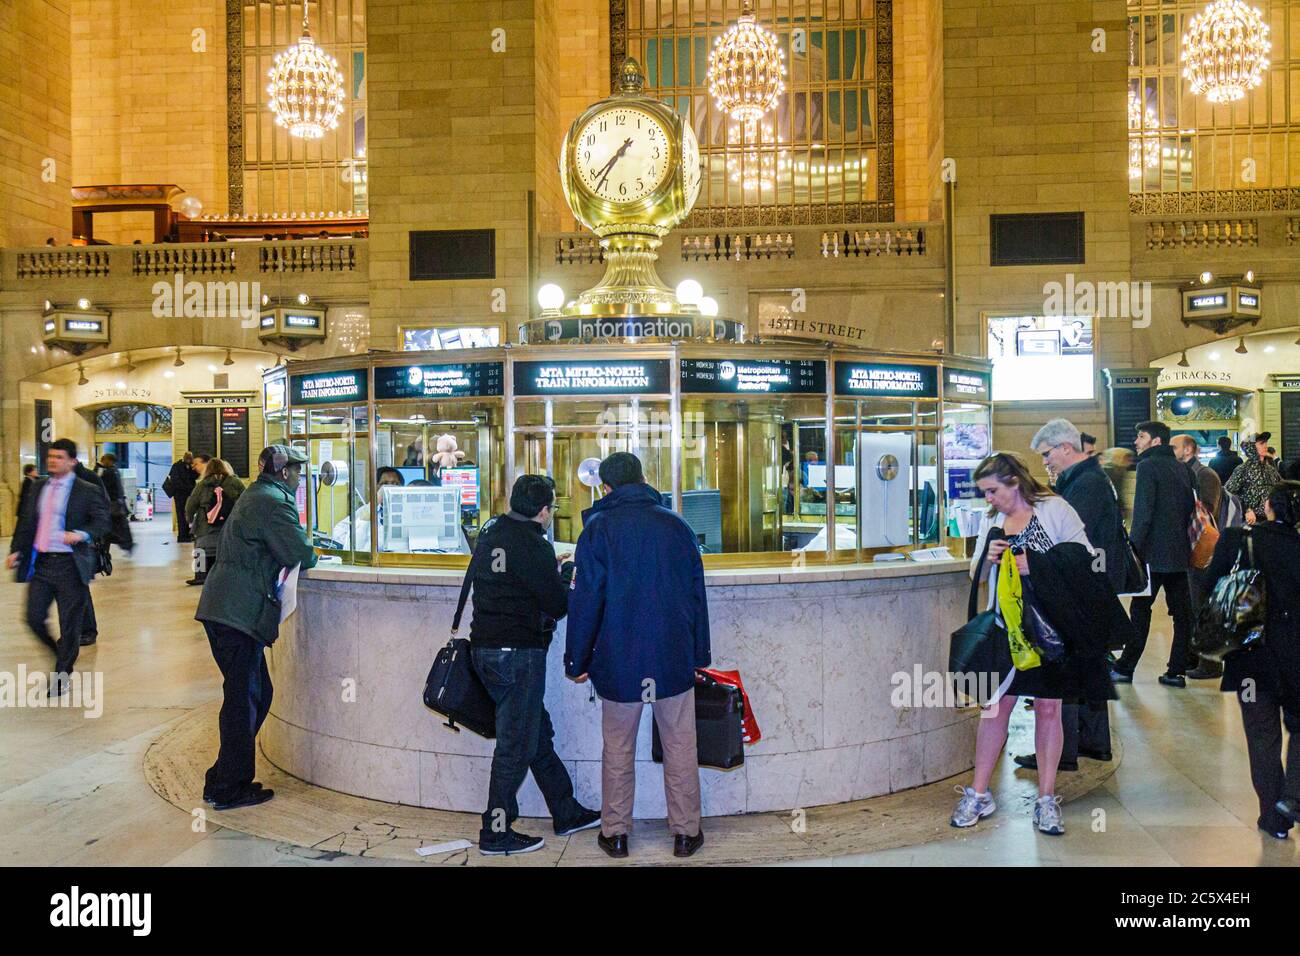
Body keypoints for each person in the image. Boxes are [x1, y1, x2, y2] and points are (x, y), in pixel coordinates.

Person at [565, 452, 711, 859]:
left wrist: (576, 662)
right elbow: (696, 595)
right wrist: (700, 653)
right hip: (672, 658)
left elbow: (585, 601)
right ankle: (685, 834)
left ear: (606, 487)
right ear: (644, 478)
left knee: (617, 747)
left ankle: (615, 834)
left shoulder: (598, 529)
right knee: (681, 746)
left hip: (618, 660)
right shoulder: (677, 525)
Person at [953, 452, 1095, 837]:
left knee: (1049, 709)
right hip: (1006, 626)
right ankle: (979, 792)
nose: (989, 499)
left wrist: (1038, 563)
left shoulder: (1055, 509)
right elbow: (977, 574)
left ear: (1014, 482)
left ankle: (1046, 798)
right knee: (995, 706)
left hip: (1051, 625)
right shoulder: (994, 521)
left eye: (993, 490)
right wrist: (989, 558)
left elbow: (1086, 558)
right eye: (984, 492)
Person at [466, 474, 601, 856]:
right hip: (518, 654)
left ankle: (566, 810)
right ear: (543, 511)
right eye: (552, 508)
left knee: (533, 733)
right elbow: (557, 606)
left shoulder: (492, 533)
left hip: (486, 651)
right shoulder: (534, 546)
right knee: (514, 746)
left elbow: (509, 578)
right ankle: (496, 830)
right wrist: (564, 573)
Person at [194, 445, 318, 811]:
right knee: (243, 700)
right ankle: (230, 787)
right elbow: (300, 553)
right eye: (297, 472)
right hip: (237, 614)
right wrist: (312, 549)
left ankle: (220, 776)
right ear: (283, 472)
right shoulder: (273, 502)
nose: (300, 479)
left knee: (254, 695)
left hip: (226, 610)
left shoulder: (258, 493)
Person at [1024, 419, 1126, 771]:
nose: (1046, 461)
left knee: (1065, 666)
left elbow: (1068, 544)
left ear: (1066, 448)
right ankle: (1094, 743)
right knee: (1088, 664)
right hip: (1093, 587)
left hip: (1082, 589)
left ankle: (1062, 751)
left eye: (1047, 453)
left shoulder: (1084, 486)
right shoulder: (1091, 479)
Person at [1203, 481, 1300, 839]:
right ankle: (1292, 797)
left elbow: (1209, 584)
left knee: (1262, 736)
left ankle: (1272, 818)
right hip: (1294, 656)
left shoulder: (1236, 539)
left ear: (1267, 506)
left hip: (1250, 656)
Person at [6, 439, 110, 695]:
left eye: (59, 457)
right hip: (42, 563)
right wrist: (16, 550)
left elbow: (102, 522)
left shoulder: (86, 489)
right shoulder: (39, 487)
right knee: (32, 618)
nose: (53, 461)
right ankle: (60, 657)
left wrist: (81, 534)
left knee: (70, 625)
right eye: (51, 456)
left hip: (70, 565)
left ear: (72, 461)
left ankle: (62, 673)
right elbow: (27, 523)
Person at [1111, 421, 1196, 688]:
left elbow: (1144, 513)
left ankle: (1125, 668)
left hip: (1153, 555)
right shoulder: (1183, 469)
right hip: (1180, 554)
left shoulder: (1147, 467)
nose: (1136, 441)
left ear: (1156, 441)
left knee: (1140, 610)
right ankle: (1177, 671)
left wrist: (1133, 548)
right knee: (1182, 614)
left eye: (1141, 436)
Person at [1171, 435, 1225, 680]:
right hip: (1191, 549)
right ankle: (1196, 657)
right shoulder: (1186, 473)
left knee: (1204, 606)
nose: (1171, 451)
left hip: (1204, 551)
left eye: (1174, 447)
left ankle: (1211, 664)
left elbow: (1207, 510)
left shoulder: (1204, 475)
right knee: (1194, 606)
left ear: (1188, 449)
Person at [185, 456, 245, 586]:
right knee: (227, 552)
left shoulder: (202, 484)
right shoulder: (235, 482)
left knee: (200, 549)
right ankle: (228, 576)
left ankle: (200, 576)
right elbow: (245, 502)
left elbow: (191, 504)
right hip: (228, 526)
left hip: (205, 526)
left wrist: (190, 520)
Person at [330, 466, 405, 551]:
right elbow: (338, 534)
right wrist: (376, 500)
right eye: (385, 483)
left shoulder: (407, 512)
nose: (390, 488)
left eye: (396, 484)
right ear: (374, 488)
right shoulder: (367, 510)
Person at [1225, 432, 1282, 524]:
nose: (1266, 446)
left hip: (1271, 519)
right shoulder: (1243, 469)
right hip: (1251, 520)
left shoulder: (1271, 469)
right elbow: (1229, 492)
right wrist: (1246, 509)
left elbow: (1280, 488)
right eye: (1261, 443)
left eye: (1266, 443)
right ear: (1251, 447)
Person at [95, 453, 134, 554]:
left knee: (111, 529)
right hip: (115, 505)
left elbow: (99, 483)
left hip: (111, 505)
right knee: (119, 527)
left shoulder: (108, 472)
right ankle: (126, 544)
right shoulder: (114, 471)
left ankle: (123, 544)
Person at [165, 451, 198, 542]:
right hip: (180, 495)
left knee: (187, 514)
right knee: (181, 515)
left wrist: (194, 468)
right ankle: (182, 536)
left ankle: (187, 534)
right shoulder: (177, 466)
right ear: (185, 458)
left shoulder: (188, 468)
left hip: (187, 494)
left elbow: (194, 477)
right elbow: (176, 482)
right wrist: (189, 488)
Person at [1098, 446, 1135, 522]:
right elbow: (1116, 491)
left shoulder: (1119, 470)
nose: (1130, 462)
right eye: (1127, 459)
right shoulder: (1113, 472)